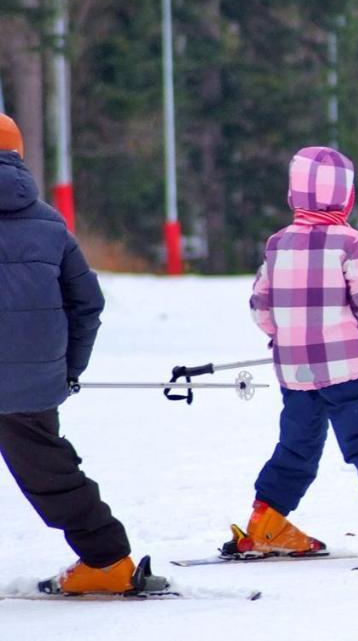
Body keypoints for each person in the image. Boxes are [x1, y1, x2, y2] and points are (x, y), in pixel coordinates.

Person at [229, 146, 358, 559]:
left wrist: (285, 336)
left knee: (296, 447)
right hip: (345, 368)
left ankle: (265, 524)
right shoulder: (348, 242)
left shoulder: (278, 243)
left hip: (295, 371)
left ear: (294, 195)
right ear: (346, 197)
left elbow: (260, 307)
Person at [0, 115, 165, 595]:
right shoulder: (50, 223)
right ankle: (108, 561)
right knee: (51, 472)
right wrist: (67, 368)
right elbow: (88, 303)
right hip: (32, 384)